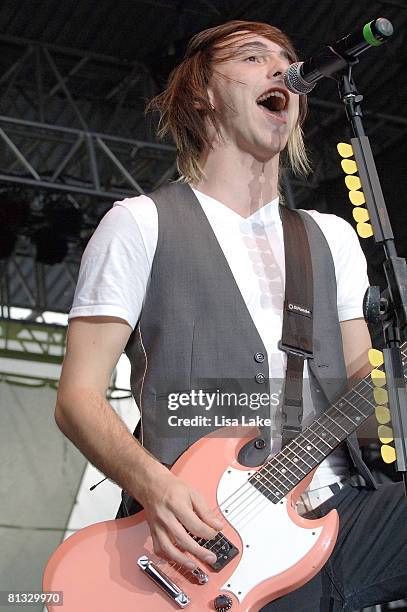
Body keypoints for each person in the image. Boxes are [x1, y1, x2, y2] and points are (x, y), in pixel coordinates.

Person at [56, 20, 407, 611]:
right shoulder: (141, 223)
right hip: (207, 542)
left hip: (344, 515)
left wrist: (395, 392)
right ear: (203, 93)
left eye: (287, 61)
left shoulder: (330, 237)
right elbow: (77, 399)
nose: (280, 70)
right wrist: (155, 488)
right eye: (251, 57)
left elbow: (364, 404)